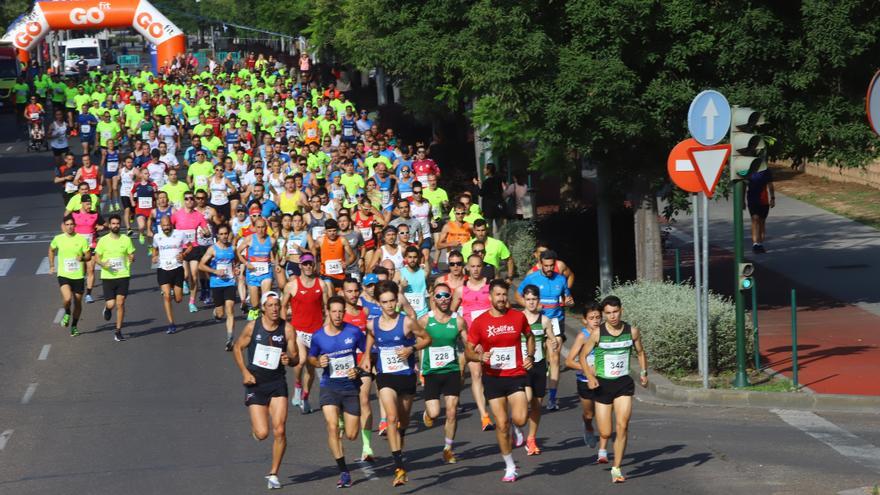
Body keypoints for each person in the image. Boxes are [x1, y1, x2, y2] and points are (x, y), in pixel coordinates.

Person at [465, 279, 534, 483]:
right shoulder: (480, 322)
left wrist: (530, 355)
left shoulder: (518, 317)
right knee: (501, 424)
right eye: (498, 295)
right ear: (490, 297)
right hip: (493, 378)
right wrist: (479, 357)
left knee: (521, 418)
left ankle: (516, 426)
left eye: (505, 294)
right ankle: (510, 466)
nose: (502, 298)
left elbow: (529, 336)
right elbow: (468, 351)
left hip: (515, 375)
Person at [577, 295, 648, 484]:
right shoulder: (597, 334)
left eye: (615, 312)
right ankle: (601, 438)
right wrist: (590, 377)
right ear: (604, 314)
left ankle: (616, 468)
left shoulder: (631, 331)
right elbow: (583, 357)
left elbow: (640, 352)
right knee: (606, 432)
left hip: (623, 384)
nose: (612, 316)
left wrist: (643, 372)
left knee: (623, 425)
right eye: (608, 313)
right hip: (603, 386)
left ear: (621, 311)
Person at [232, 291, 298, 490]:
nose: (275, 309)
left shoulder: (287, 329)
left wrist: (289, 359)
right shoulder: (253, 327)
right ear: (263, 308)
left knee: (280, 429)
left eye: (277, 305)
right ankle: (257, 430)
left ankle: (273, 473)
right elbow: (237, 348)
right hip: (256, 384)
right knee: (262, 433)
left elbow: (295, 358)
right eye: (270, 305)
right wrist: (244, 372)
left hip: (277, 382)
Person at [367, 281, 431, 486]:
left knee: (402, 421)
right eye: (384, 302)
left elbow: (426, 339)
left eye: (392, 300)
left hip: (405, 376)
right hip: (385, 376)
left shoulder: (407, 322)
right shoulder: (373, 324)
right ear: (378, 303)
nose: (389, 305)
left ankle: (399, 448)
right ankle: (399, 467)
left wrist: (411, 349)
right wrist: (366, 358)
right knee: (391, 418)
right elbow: (369, 338)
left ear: (397, 300)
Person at [308, 295, 371, 489]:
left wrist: (359, 370)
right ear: (327, 312)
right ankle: (344, 471)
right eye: (333, 311)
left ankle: (344, 420)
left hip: (350, 386)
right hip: (330, 386)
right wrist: (319, 362)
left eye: (340, 311)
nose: (337, 315)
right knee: (332, 426)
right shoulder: (319, 336)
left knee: (352, 435)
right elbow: (311, 358)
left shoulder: (353, 332)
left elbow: (367, 354)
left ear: (344, 313)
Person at [516, 250, 573, 410]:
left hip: (555, 321)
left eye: (551, 266)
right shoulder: (532, 278)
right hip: (536, 320)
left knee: (554, 357)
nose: (548, 269)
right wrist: (530, 307)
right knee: (534, 355)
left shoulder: (561, 279)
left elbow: (567, 298)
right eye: (545, 266)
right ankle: (529, 385)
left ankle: (553, 398)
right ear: (540, 264)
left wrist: (569, 302)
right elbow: (518, 294)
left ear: (555, 265)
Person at [419, 282, 467, 464]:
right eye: (439, 296)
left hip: (452, 370)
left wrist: (475, 357)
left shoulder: (458, 321)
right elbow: (419, 344)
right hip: (431, 371)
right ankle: (427, 414)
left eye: (446, 295)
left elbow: (468, 345)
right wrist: (419, 371)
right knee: (434, 413)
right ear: (433, 299)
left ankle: (448, 448)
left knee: (452, 412)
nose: (443, 299)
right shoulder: (425, 320)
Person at [280, 253, 332, 414]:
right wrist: (284, 326)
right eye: (305, 264)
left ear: (314, 265)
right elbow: (283, 306)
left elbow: (328, 307)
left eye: (311, 264)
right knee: (301, 360)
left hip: (316, 333)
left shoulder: (322, 285)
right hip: (298, 331)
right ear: (300, 266)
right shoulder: (292, 285)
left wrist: (326, 324)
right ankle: (297, 385)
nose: (308, 266)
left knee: (310, 369)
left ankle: (305, 397)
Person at [451, 254, 494, 431]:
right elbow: (452, 312)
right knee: (475, 374)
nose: (475, 269)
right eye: (472, 266)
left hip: (491, 337)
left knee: (490, 375)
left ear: (482, 266)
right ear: (467, 268)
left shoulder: (490, 287)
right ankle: (484, 416)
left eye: (478, 266)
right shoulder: (461, 290)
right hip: (471, 338)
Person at [515, 284, 559, 455]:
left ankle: (531, 439)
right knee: (526, 400)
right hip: (522, 366)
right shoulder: (518, 318)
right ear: (523, 301)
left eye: (534, 299)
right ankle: (517, 424)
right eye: (528, 299)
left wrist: (554, 342)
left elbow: (552, 338)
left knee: (536, 405)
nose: (531, 303)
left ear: (538, 300)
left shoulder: (545, 320)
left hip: (539, 365)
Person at [340, 277, 375, 461]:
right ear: (342, 292)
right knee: (343, 403)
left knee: (364, 401)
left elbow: (370, 336)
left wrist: (368, 355)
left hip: (362, 364)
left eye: (355, 291)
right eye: (349, 291)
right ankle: (339, 417)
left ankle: (367, 447)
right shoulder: (338, 314)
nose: (353, 295)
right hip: (343, 366)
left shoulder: (365, 311)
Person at [564, 302, 603, 450]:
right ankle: (588, 427)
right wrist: (587, 369)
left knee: (603, 412)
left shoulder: (605, 333)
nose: (596, 320)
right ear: (585, 320)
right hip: (584, 380)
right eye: (592, 318)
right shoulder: (583, 336)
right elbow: (569, 361)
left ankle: (603, 448)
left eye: (598, 317)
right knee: (589, 414)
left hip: (603, 380)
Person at [94, 215, 136, 342]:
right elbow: (96, 257)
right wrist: (102, 264)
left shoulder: (126, 239)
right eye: (113, 223)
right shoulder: (103, 240)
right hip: (108, 276)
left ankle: (118, 331)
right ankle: (107, 308)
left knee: (120, 303)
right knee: (111, 303)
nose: (115, 225)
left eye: (118, 223)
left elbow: (131, 254)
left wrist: (132, 258)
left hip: (123, 275)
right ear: (109, 225)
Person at [49, 215, 90, 337]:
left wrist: (82, 257)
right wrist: (51, 265)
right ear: (63, 226)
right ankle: (67, 312)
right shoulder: (58, 239)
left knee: (77, 303)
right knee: (67, 298)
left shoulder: (81, 239)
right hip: (64, 274)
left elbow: (88, 256)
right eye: (67, 225)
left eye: (71, 224)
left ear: (75, 226)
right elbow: (51, 250)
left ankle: (74, 326)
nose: (70, 227)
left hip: (78, 276)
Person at [199, 223, 238, 350]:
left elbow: (235, 262)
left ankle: (229, 339)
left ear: (229, 234)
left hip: (230, 282)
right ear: (217, 235)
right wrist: (215, 272)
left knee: (230, 310)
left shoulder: (233, 248)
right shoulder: (213, 249)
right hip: (216, 283)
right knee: (221, 314)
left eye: (226, 233)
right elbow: (201, 265)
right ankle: (216, 312)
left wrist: (236, 269)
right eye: (221, 234)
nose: (224, 236)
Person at [172, 192, 211, 313]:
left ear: (193, 201)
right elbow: (169, 228)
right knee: (185, 275)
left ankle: (192, 302)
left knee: (194, 275)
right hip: (181, 249)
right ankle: (183, 282)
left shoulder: (198, 215)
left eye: (191, 199)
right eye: (186, 199)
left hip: (194, 248)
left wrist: (206, 233)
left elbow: (206, 230)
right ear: (184, 201)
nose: (189, 201)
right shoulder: (177, 215)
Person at [152, 216, 190, 334]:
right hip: (163, 268)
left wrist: (184, 255)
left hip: (177, 268)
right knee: (167, 296)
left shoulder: (180, 234)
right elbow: (154, 248)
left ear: (171, 224)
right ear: (161, 226)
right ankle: (171, 323)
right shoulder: (157, 236)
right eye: (164, 226)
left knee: (178, 299)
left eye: (168, 225)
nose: (166, 227)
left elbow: (190, 246)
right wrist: (154, 257)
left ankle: (176, 289)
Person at [238, 217, 278, 321]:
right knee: (255, 303)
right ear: (255, 228)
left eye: (263, 227)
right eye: (258, 227)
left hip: (266, 273)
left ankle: (266, 319)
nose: (261, 230)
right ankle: (254, 309)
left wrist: (276, 263)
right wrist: (246, 263)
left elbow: (275, 252)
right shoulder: (249, 239)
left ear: (266, 228)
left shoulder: (272, 240)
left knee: (265, 298)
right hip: (252, 273)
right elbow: (238, 252)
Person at [746, 167, 775, 253]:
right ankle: (755, 243)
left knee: (762, 221)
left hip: (763, 200)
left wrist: (772, 198)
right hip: (752, 199)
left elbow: (770, 184)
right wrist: (741, 200)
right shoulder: (748, 169)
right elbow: (744, 185)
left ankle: (760, 243)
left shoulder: (765, 171)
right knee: (755, 219)